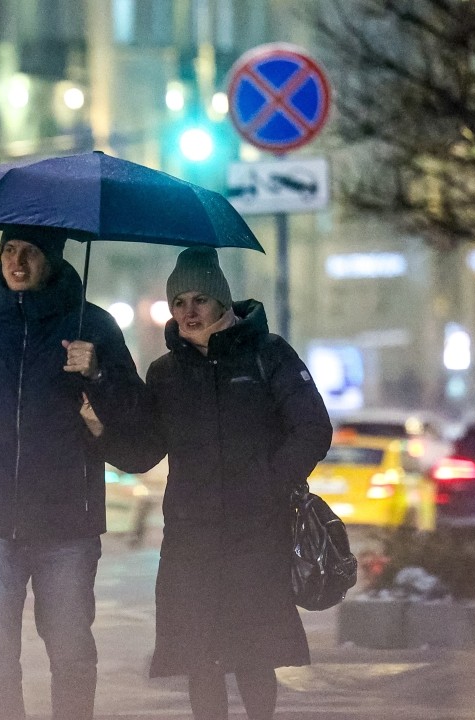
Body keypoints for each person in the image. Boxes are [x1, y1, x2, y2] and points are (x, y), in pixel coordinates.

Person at [0, 227, 146, 720]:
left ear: (54, 260)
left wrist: (97, 373)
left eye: (29, 252)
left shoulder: (95, 327)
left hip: (67, 523)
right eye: (8, 251)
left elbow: (134, 417)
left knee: (70, 651)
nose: (16, 262)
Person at [127, 246, 333, 720]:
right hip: (190, 537)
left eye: (200, 299)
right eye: (179, 302)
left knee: (253, 656)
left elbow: (312, 429)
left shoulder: (268, 355)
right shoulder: (165, 373)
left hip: (255, 533)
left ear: (222, 301)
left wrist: (269, 483)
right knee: (200, 659)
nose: (189, 312)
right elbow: (141, 451)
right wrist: (97, 415)